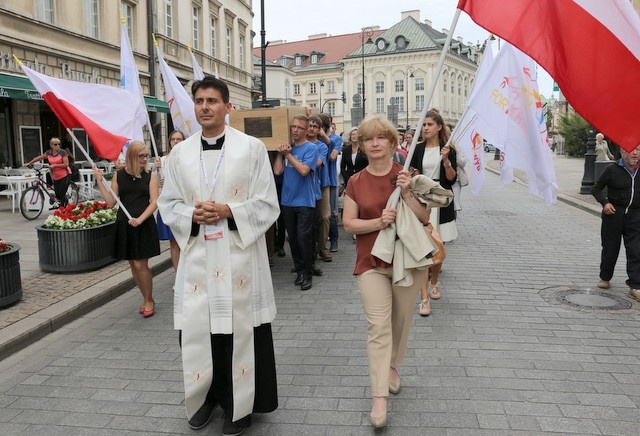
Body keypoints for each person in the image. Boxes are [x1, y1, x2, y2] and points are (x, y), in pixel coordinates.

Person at [157, 76, 280, 435]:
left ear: (228, 107)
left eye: (212, 100)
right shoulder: (178, 154)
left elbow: (267, 203)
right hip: (197, 261)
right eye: (199, 101)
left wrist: (229, 210)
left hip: (238, 255)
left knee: (238, 334)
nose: (205, 107)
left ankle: (239, 406)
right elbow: (169, 204)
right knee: (201, 332)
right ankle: (205, 398)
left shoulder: (252, 148)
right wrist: (191, 215)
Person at [343, 115, 430, 429]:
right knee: (378, 328)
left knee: (400, 322)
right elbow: (349, 224)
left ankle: (393, 366)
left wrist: (407, 192)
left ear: (393, 143)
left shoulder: (408, 175)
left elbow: (423, 218)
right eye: (368, 139)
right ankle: (379, 397)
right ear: (362, 144)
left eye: (381, 138)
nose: (375, 143)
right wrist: (378, 223)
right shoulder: (355, 182)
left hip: (406, 262)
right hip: (370, 264)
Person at [93, 140, 160, 318]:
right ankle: (145, 298)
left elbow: (154, 202)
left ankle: (149, 299)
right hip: (125, 222)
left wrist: (140, 219)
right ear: (132, 156)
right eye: (142, 156)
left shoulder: (150, 175)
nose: (146, 159)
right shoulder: (119, 176)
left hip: (143, 222)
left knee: (141, 264)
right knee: (133, 264)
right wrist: (100, 181)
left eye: (147, 155)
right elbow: (111, 201)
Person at [410, 109, 457, 315]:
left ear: (439, 127)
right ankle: (423, 297)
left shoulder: (447, 149)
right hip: (421, 200)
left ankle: (434, 281)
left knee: (438, 248)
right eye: (424, 124)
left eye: (429, 124)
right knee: (421, 249)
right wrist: (413, 174)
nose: (425, 128)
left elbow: (451, 178)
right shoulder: (416, 148)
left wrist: (446, 160)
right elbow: (410, 174)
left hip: (440, 198)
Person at [273, 115, 318, 291]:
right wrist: (280, 152)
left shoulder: (311, 148)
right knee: (292, 239)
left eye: (299, 127)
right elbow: (277, 171)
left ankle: (307, 273)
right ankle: (299, 271)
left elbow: (304, 170)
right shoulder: (287, 149)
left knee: (303, 238)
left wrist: (288, 155)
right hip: (287, 200)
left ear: (306, 130)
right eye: (293, 127)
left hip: (305, 200)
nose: (295, 130)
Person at [591, 145, 640, 300]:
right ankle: (605, 277)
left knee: (636, 250)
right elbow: (596, 189)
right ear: (622, 151)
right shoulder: (612, 169)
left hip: (635, 216)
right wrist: (605, 203)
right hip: (614, 215)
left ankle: (635, 285)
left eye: (638, 150)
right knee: (610, 248)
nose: (635, 153)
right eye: (632, 149)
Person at [154, 129, 185, 271]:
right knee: (174, 243)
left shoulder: (189, 159)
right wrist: (157, 172)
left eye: (179, 139)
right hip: (169, 205)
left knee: (185, 242)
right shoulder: (162, 161)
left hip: (184, 205)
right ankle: (178, 274)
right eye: (173, 139)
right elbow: (156, 183)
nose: (176, 142)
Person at [24, 137, 72, 206]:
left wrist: (54, 165)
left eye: (59, 144)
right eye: (55, 144)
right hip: (56, 176)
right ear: (51, 145)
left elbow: (66, 164)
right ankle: (67, 204)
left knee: (61, 194)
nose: (58, 146)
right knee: (58, 194)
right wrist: (30, 163)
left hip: (65, 175)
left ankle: (62, 211)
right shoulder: (49, 153)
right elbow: (39, 158)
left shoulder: (62, 152)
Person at [322, 113, 342, 253]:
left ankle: (334, 239)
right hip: (320, 180)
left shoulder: (336, 139)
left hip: (331, 179)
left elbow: (333, 157)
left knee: (333, 212)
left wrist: (325, 138)